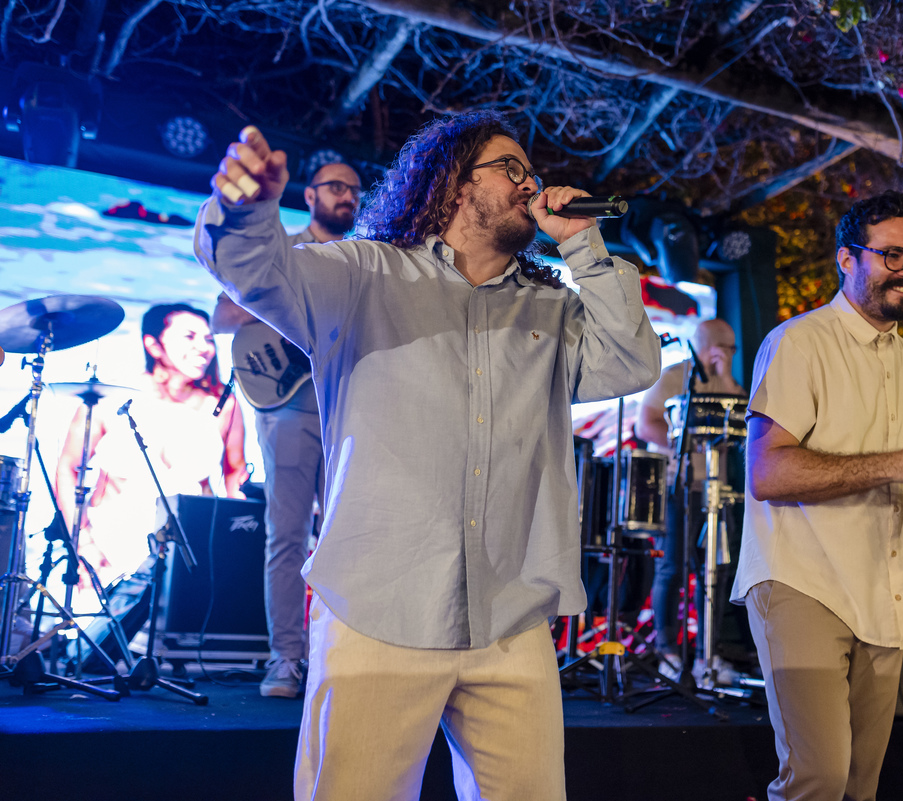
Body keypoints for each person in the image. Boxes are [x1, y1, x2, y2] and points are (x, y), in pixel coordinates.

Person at [194, 112, 660, 800]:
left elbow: (630, 360)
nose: (531, 184)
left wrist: (585, 246)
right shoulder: (363, 276)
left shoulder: (551, 308)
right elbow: (254, 271)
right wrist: (247, 207)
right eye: (511, 168)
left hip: (511, 615)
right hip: (379, 608)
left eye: (532, 174)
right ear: (451, 185)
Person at [731, 190, 903, 801]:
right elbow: (769, 474)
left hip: (885, 586)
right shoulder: (798, 343)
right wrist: (901, 464)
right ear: (846, 259)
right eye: (894, 256)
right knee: (818, 777)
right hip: (804, 579)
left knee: (861, 786)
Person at [211, 161, 362, 699]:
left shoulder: (365, 259)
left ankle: (340, 655)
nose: (347, 196)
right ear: (311, 194)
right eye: (336, 187)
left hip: (350, 409)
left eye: (354, 189)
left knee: (350, 539)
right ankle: (286, 660)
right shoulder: (286, 252)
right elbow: (224, 316)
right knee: (287, 537)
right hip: (289, 404)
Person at [54, 304, 247, 589]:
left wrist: (231, 549)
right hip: (108, 554)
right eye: (189, 336)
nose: (203, 348)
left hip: (186, 555)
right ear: (153, 345)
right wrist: (84, 545)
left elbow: (235, 477)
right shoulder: (113, 396)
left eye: (208, 339)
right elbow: (68, 468)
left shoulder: (222, 404)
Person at [635, 318, 746, 685]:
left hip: (715, 488)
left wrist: (726, 375)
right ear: (710, 345)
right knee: (672, 568)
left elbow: (743, 420)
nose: (731, 353)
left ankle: (707, 656)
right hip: (677, 486)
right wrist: (688, 444)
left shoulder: (727, 383)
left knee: (715, 572)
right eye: (728, 347)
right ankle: (667, 652)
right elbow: (645, 424)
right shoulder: (675, 375)